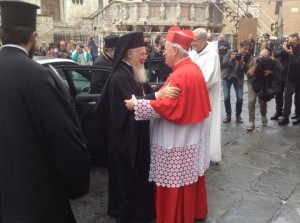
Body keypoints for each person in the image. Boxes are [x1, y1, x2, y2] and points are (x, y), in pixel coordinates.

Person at [0, 1, 90, 222]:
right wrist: (77, 184)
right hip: (38, 201)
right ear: (33, 37)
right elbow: (64, 137)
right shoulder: (38, 76)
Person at [125, 26, 211, 223]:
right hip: (189, 135)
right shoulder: (193, 68)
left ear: (174, 50)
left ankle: (173, 216)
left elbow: (166, 107)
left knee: (175, 180)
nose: (162, 52)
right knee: (187, 178)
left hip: (176, 138)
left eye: (165, 48)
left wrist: (136, 104)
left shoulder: (179, 75)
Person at [90, 31, 179, 222]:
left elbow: (143, 92)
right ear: (129, 54)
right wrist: (158, 96)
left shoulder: (134, 70)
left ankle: (140, 212)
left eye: (145, 52)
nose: (145, 56)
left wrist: (157, 91)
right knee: (126, 181)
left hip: (136, 137)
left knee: (138, 180)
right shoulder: (119, 77)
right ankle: (127, 215)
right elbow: (130, 104)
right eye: (141, 53)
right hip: (124, 141)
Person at [190, 28, 222, 163]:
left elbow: (208, 79)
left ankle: (206, 154)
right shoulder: (192, 53)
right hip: (194, 96)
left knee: (206, 125)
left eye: (195, 40)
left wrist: (188, 84)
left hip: (206, 97)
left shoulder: (212, 55)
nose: (192, 43)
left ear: (203, 40)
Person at [246, 49, 283, 130]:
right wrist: (255, 65)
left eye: (264, 57)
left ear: (269, 56)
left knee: (262, 102)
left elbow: (281, 70)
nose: (262, 58)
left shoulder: (272, 61)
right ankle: (251, 121)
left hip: (264, 84)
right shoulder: (255, 60)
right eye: (261, 56)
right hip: (253, 82)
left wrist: (270, 72)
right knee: (251, 101)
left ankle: (263, 116)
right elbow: (249, 74)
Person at [221, 40, 252, 123]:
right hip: (227, 76)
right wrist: (231, 59)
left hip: (238, 78)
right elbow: (223, 65)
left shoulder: (248, 56)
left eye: (248, 49)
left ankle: (238, 115)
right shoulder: (231, 52)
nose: (247, 51)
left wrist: (243, 64)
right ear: (240, 47)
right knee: (226, 97)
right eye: (245, 49)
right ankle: (228, 115)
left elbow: (248, 71)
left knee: (240, 98)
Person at [278, 33, 300, 125]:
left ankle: (298, 116)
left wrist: (291, 54)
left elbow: (297, 64)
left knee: (298, 99)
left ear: (298, 41)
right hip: (290, 77)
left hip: (298, 77)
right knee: (287, 97)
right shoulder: (286, 48)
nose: (291, 44)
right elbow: (276, 54)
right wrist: (283, 50)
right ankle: (285, 117)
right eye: (290, 42)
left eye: (293, 43)